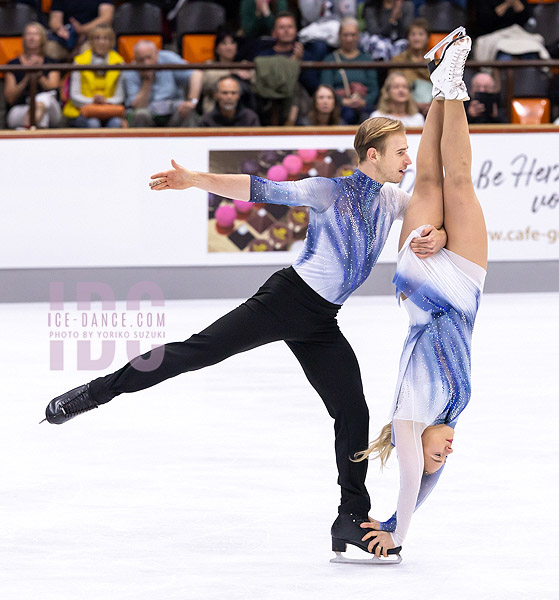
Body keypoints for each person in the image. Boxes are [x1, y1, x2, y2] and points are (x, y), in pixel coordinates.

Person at [43, 116, 448, 557]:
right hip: (286, 299)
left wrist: (441, 234)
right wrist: (194, 179)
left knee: (353, 410)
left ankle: (349, 517)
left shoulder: (391, 200)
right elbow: (259, 188)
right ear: (374, 155)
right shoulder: (329, 191)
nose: (408, 159)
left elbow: (434, 217)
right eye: (401, 151)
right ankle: (93, 393)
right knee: (195, 352)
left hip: (322, 320)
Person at [356, 31, 488, 559]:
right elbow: (429, 479)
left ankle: (447, 84)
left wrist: (395, 533)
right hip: (463, 288)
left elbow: (413, 484)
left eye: (438, 457)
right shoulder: (452, 411)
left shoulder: (411, 413)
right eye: (445, 458)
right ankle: (444, 82)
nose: (447, 453)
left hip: (418, 286)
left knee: (431, 177)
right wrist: (452, 239)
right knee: (459, 184)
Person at [123, 40, 202, 128]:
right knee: (140, 115)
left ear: (157, 54)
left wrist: (192, 101)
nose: (146, 63)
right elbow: (138, 107)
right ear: (135, 59)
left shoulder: (168, 58)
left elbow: (196, 74)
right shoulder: (130, 72)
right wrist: (147, 81)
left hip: (173, 109)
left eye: (149, 58)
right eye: (141, 60)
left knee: (188, 110)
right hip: (147, 111)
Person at [62, 24, 125, 129]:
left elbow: (120, 97)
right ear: (91, 41)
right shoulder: (79, 62)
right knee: (93, 123)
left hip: (109, 110)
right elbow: (74, 96)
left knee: (116, 123)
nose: (101, 42)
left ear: (112, 42)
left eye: (106, 38)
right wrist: (93, 101)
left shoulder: (119, 63)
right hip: (82, 109)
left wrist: (106, 101)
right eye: (97, 38)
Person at [321, 17, 380, 124]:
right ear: (339, 36)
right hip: (340, 106)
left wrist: (364, 101)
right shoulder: (330, 59)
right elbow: (326, 87)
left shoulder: (366, 59)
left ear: (358, 37)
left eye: (353, 35)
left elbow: (374, 88)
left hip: (363, 105)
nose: (349, 39)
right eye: (345, 35)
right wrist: (343, 101)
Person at [4, 22, 61, 130]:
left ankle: (26, 130)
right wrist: (26, 78)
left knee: (44, 98)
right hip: (21, 108)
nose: (31, 38)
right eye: (28, 34)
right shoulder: (13, 65)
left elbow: (53, 88)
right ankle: (32, 131)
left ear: (42, 39)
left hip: (50, 107)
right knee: (43, 117)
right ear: (23, 38)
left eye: (35, 34)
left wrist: (39, 75)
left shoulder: (51, 63)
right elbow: (10, 98)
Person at [199, 28, 256, 116]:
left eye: (232, 43)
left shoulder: (244, 64)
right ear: (217, 49)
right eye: (224, 43)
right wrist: (233, 71)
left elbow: (256, 86)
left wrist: (249, 77)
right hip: (214, 112)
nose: (229, 47)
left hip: (243, 111)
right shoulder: (209, 64)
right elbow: (207, 86)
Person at [47, 0, 115, 62]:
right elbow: (55, 20)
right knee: (49, 48)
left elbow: (106, 18)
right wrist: (60, 30)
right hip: (67, 38)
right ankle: (53, 75)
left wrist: (82, 29)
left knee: (87, 51)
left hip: (93, 35)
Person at [390, 18, 431, 116]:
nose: (417, 38)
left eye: (421, 34)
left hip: (431, 108)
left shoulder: (434, 63)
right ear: (408, 38)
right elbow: (392, 87)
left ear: (428, 38)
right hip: (405, 107)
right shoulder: (398, 61)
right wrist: (415, 104)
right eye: (413, 34)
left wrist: (432, 105)